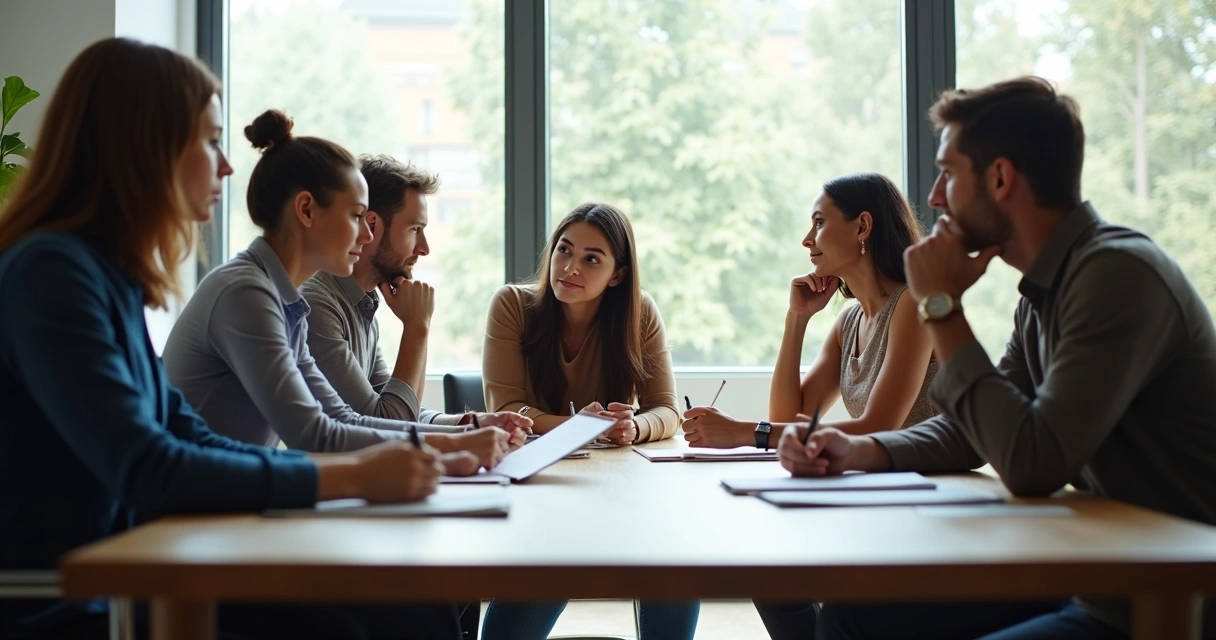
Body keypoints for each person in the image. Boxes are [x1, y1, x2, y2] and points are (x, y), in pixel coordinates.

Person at [0, 38, 459, 640]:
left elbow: (183, 430)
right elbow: (149, 466)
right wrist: (354, 477)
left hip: (143, 561)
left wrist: (400, 457)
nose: (226, 165)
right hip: (72, 598)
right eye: (210, 140)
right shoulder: (52, 275)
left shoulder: (104, 275)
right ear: (146, 145)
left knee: (413, 613)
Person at [777, 76, 1216, 639]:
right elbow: (967, 432)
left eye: (948, 174)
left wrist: (940, 306)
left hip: (1170, 601)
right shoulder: (1045, 293)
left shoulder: (1116, 274)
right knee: (853, 611)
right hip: (1100, 578)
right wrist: (855, 449)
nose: (934, 198)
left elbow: (1033, 460)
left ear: (1001, 177)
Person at [163, 110, 519, 474]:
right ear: (306, 210)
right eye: (355, 217)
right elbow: (316, 437)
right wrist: (453, 443)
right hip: (185, 515)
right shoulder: (246, 293)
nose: (366, 236)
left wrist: (464, 434)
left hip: (226, 506)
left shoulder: (285, 302)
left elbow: (341, 419)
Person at [480, 203, 698, 640]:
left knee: (675, 567)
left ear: (617, 274)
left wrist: (634, 427)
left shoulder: (640, 313)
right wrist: (578, 425)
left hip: (618, 488)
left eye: (591, 259)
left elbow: (668, 410)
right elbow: (509, 408)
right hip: (538, 488)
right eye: (564, 250)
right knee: (544, 577)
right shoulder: (512, 304)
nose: (569, 267)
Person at [681, 173, 937, 454]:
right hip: (891, 481)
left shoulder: (913, 303)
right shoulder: (849, 323)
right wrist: (797, 318)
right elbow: (786, 422)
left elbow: (876, 429)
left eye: (819, 223)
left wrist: (742, 431)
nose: (806, 240)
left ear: (862, 226)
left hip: (939, 484)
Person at [300, 154, 530, 435]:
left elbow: (397, 410)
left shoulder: (362, 302)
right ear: (371, 226)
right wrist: (417, 326)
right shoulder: (316, 306)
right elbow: (389, 425)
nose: (424, 248)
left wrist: (470, 425)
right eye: (415, 229)